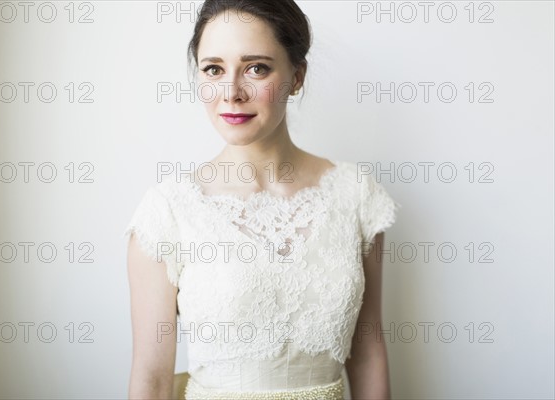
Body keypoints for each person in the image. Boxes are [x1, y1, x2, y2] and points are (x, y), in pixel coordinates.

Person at [125, 1, 399, 398]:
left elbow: (368, 351)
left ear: (297, 76)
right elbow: (151, 376)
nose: (232, 93)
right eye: (213, 69)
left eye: (257, 68)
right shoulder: (167, 211)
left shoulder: (356, 196)